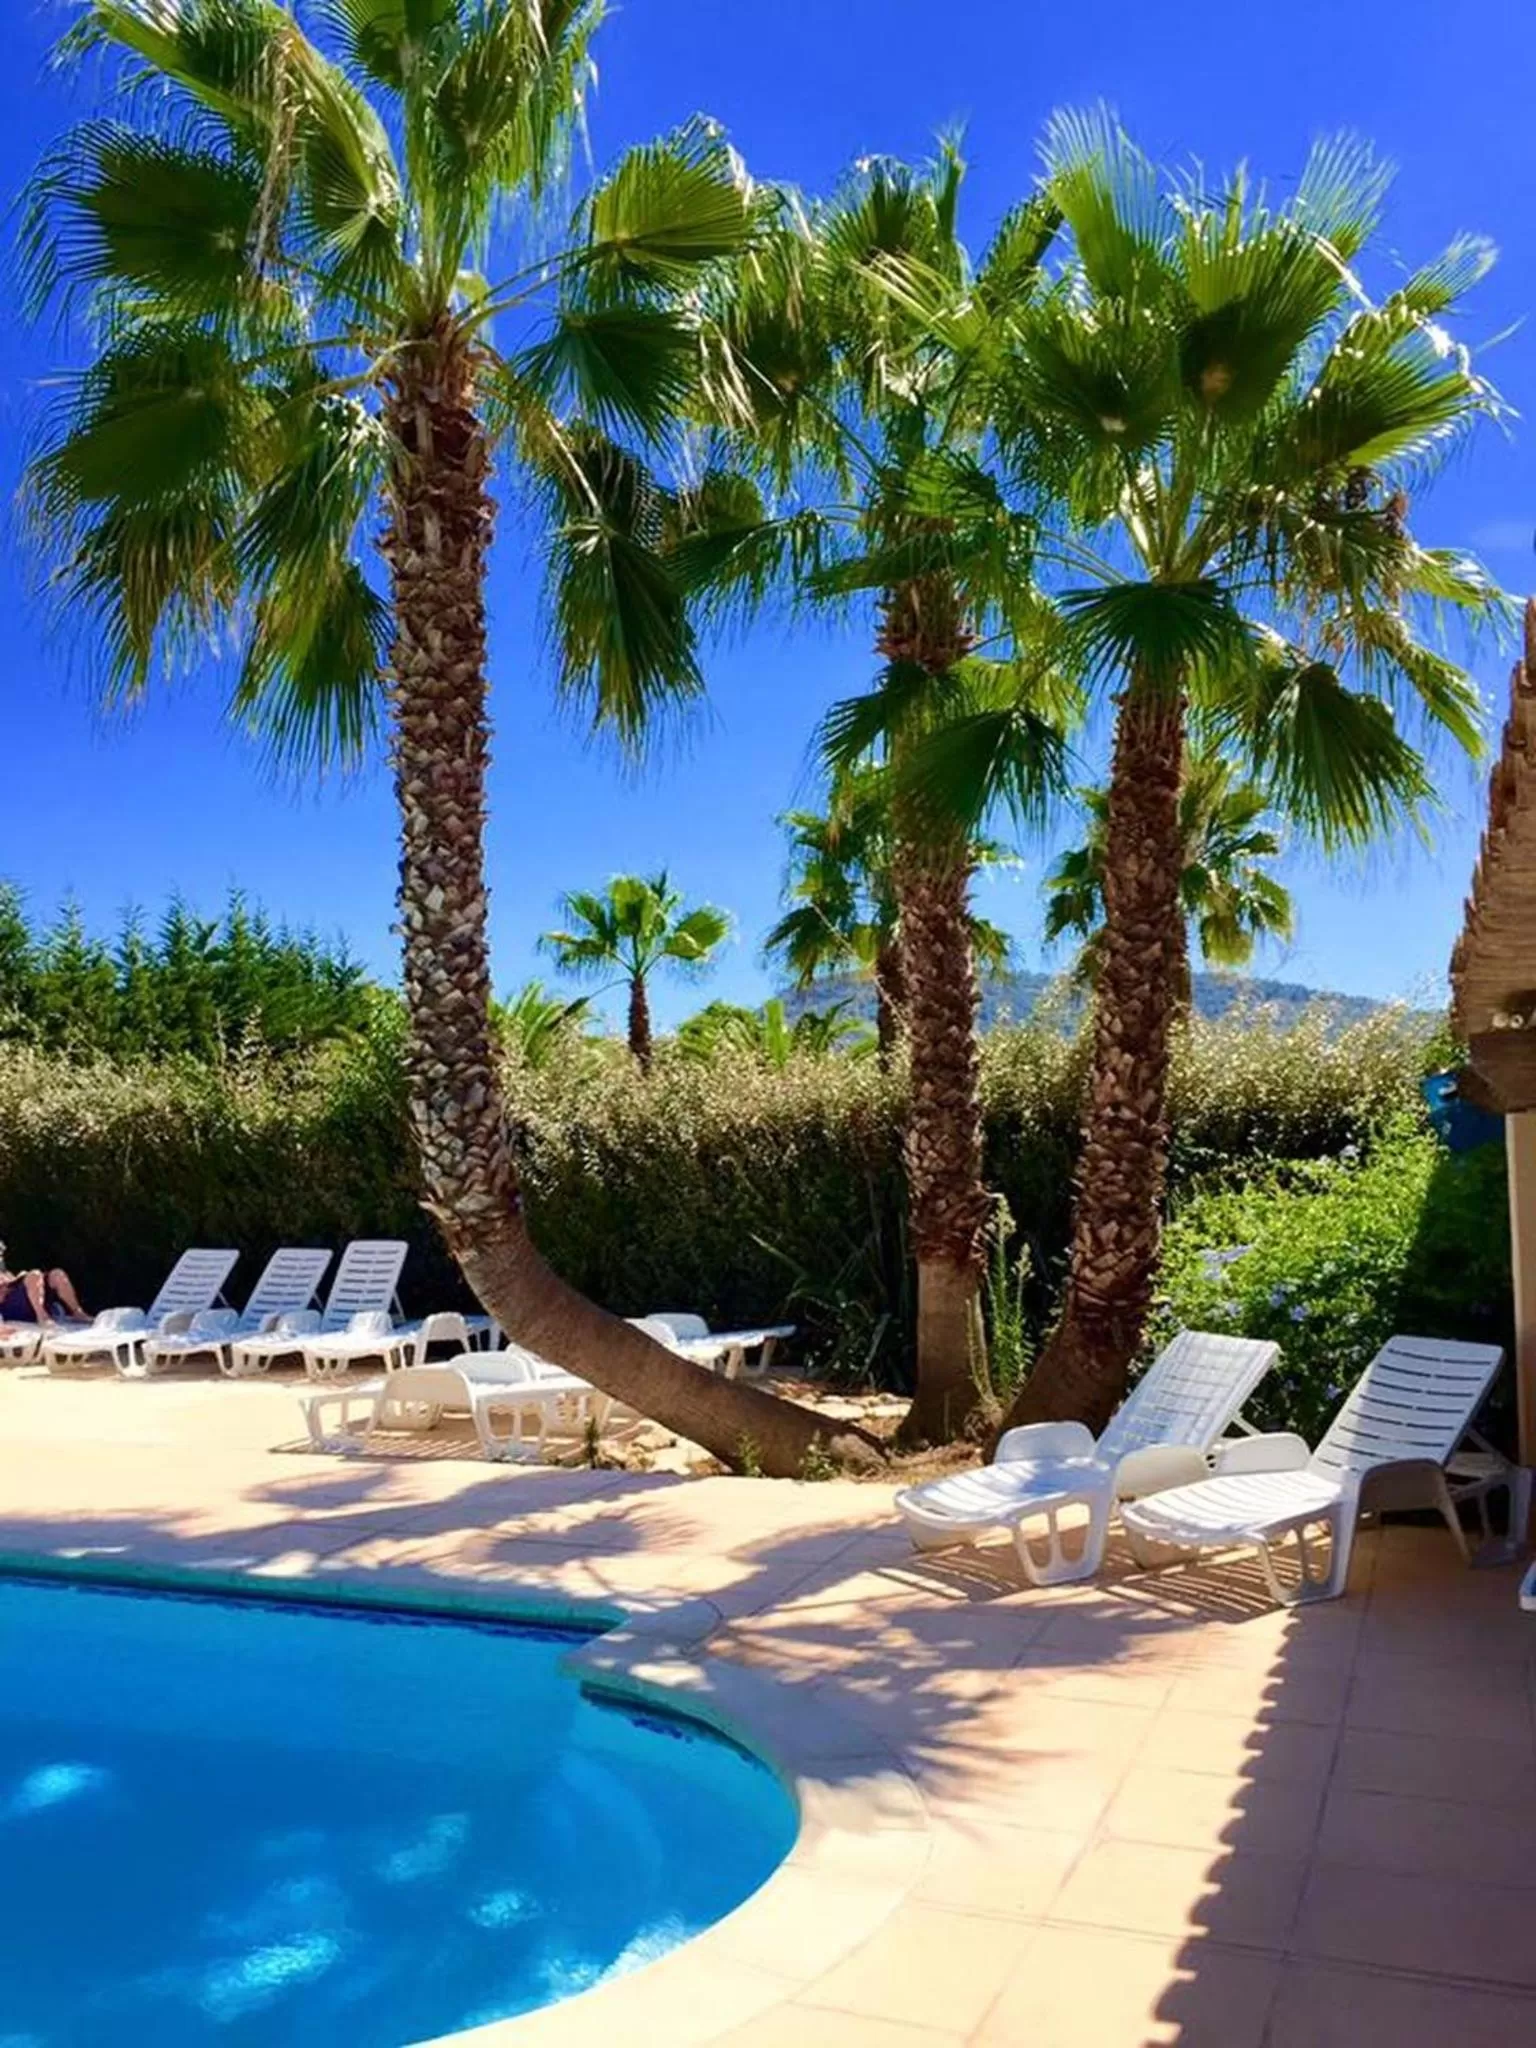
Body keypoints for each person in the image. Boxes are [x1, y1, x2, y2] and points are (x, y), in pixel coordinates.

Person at [0, 1241, 88, 1327]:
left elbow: (10, 1279)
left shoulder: (3, 1268)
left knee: (57, 1274)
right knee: (34, 1275)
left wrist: (16, 1278)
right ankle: (42, 1317)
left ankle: (78, 1312)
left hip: (21, 1296)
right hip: (10, 1306)